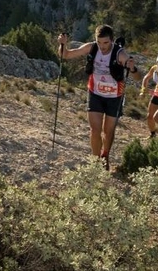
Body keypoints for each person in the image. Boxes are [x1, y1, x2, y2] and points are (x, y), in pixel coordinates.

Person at [57, 25, 137, 170]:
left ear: (112, 41)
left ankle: (105, 154)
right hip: (95, 93)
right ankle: (96, 163)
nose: (102, 46)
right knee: (95, 130)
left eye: (105, 43)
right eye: (99, 42)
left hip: (115, 97)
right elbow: (66, 55)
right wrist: (62, 44)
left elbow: (137, 75)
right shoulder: (92, 47)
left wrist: (132, 68)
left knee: (108, 131)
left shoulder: (120, 53)